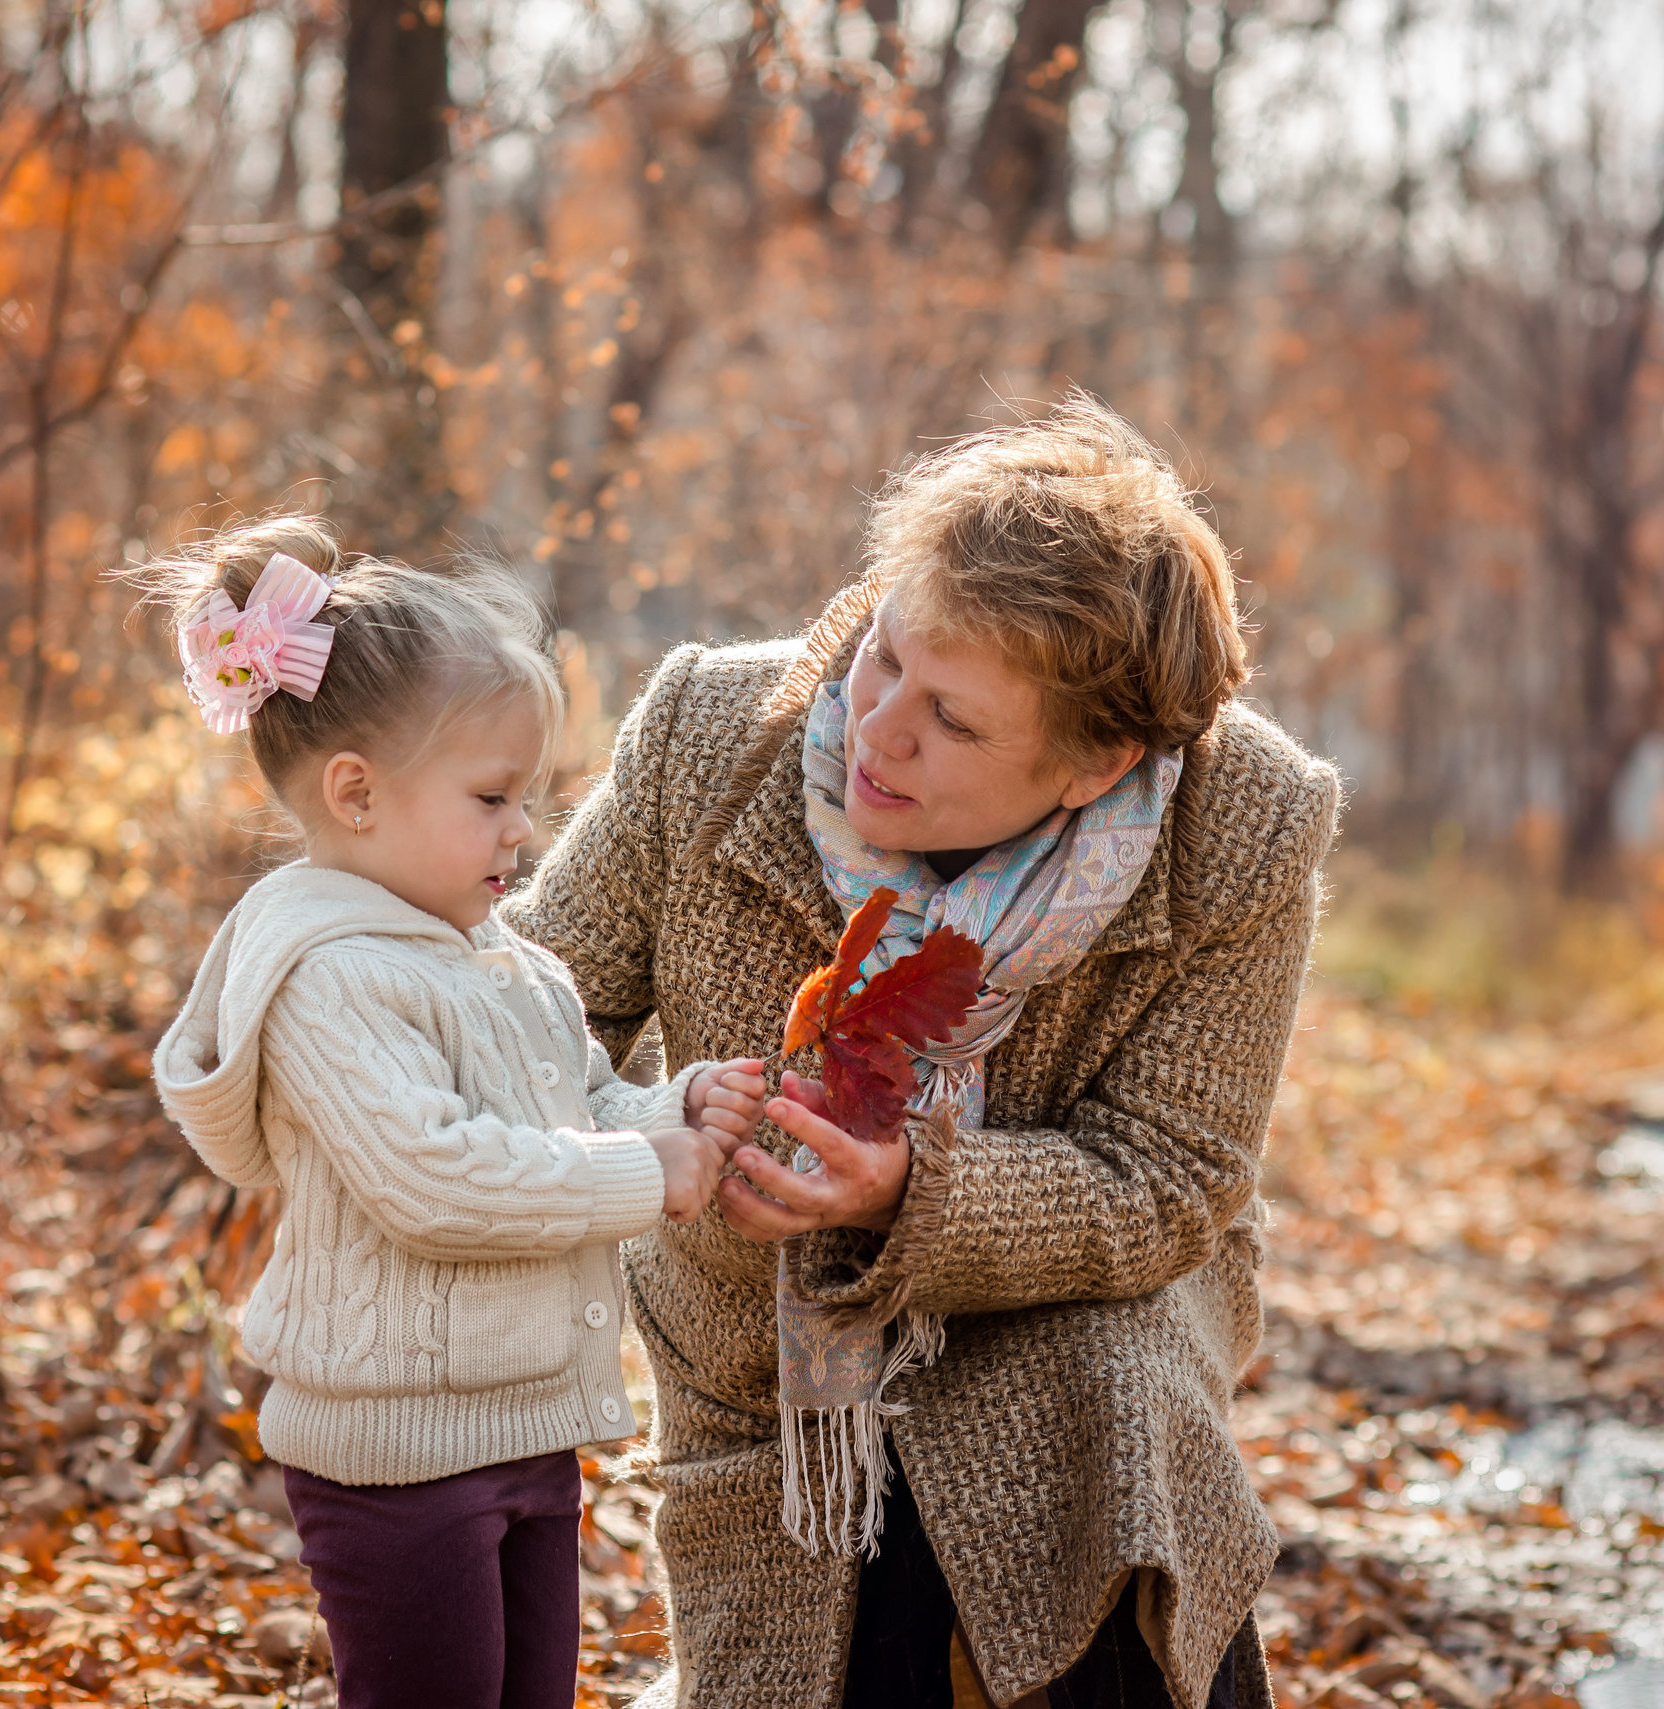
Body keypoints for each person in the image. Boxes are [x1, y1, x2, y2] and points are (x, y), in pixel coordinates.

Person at [503, 396, 1339, 1709]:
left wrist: (911, 1193)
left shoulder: (1244, 822)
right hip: (765, 1356)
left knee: (1096, 1428)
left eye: (954, 720)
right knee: (853, 1622)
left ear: (1097, 761)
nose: (882, 726)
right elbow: (526, 1015)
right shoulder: (713, 734)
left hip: (1072, 1312)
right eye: (884, 653)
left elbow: (1173, 1177)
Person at [144, 517, 769, 1709]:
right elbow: (441, 1181)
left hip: (523, 1422)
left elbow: (572, 1100)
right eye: (492, 796)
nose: (523, 829)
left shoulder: (497, 959)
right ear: (356, 793)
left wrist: (671, 1105)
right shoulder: (329, 978)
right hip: (397, 1456)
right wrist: (652, 1171)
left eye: (527, 795)